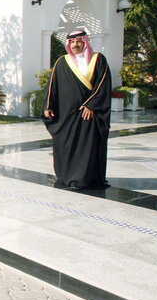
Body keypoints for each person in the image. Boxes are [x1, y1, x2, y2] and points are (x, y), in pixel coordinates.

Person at [43, 29, 112, 190]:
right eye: (72, 42)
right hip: (66, 114)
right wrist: (47, 105)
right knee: (66, 145)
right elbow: (52, 85)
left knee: (87, 147)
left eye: (79, 41)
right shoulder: (62, 61)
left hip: (88, 114)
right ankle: (67, 177)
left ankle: (84, 179)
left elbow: (103, 84)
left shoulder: (98, 59)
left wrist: (91, 105)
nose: (75, 44)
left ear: (85, 42)